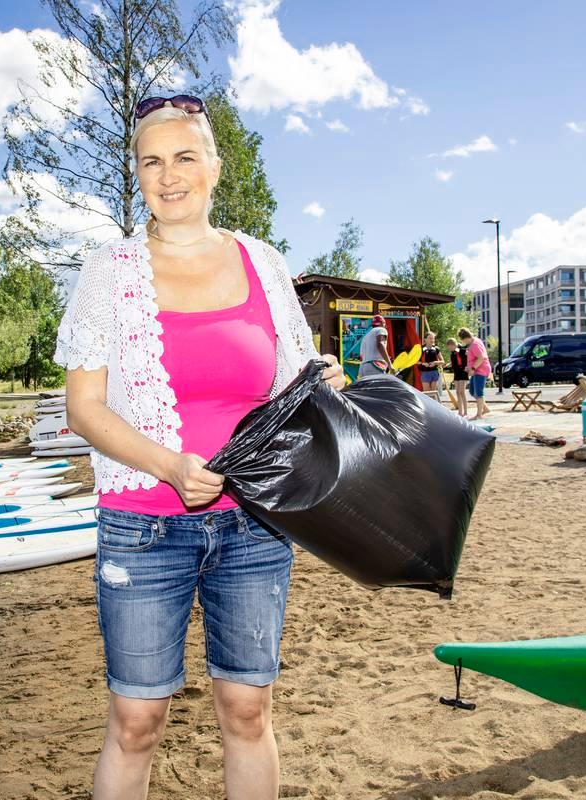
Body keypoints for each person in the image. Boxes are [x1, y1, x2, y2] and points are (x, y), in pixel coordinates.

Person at [54, 94, 346, 800]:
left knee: (247, 710)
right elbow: (83, 409)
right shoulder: (108, 273)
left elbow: (292, 382)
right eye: (151, 161)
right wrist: (169, 466)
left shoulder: (264, 263)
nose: (169, 174)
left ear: (215, 168)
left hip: (254, 526)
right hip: (142, 527)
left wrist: (325, 383)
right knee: (136, 719)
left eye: (185, 156)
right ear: (138, 176)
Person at [459, 327, 491, 420]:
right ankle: (485, 409)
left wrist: (472, 368)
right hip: (476, 370)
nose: (463, 342)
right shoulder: (473, 342)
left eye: (462, 340)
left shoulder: (475, 344)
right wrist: (469, 367)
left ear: (465, 338)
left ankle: (479, 414)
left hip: (480, 370)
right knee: (472, 391)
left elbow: (481, 358)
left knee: (479, 392)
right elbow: (474, 357)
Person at [445, 337, 469, 417]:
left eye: (449, 347)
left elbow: (467, 358)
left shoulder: (462, 350)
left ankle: (465, 411)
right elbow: (455, 361)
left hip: (463, 372)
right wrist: (450, 364)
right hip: (456, 373)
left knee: (462, 391)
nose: (449, 349)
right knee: (458, 392)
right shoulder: (452, 353)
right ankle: (460, 411)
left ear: (453, 345)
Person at [419, 331, 445, 400]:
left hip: (434, 372)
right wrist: (423, 363)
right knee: (427, 393)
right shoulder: (421, 349)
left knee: (433, 392)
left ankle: (434, 407)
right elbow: (415, 361)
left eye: (433, 338)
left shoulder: (436, 349)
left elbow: (442, 361)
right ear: (425, 339)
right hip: (425, 373)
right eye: (430, 338)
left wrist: (435, 363)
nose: (432, 340)